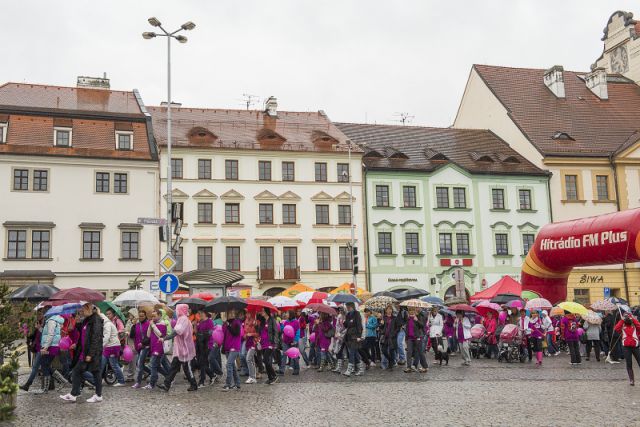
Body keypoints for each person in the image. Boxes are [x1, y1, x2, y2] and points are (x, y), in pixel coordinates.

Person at [60, 303, 104, 403]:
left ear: (89, 308)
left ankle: (77, 394)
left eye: (83, 310)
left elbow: (95, 338)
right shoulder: (87, 320)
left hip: (91, 352)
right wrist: (75, 322)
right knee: (91, 372)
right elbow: (82, 331)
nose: (81, 312)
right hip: (84, 352)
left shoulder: (96, 320)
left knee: (81, 371)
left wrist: (90, 354)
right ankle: (93, 394)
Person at [158, 304, 198, 392]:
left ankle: (194, 384)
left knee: (187, 368)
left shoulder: (183, 319)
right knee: (174, 367)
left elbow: (177, 331)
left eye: (177, 309)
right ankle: (166, 384)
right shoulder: (181, 319)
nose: (176, 311)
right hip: (180, 349)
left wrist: (165, 338)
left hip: (185, 349)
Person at [36, 312, 64, 394]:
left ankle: (46, 388)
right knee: (46, 365)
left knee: (44, 364)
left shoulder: (51, 321)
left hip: (51, 347)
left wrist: (45, 347)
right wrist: (39, 328)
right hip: (52, 346)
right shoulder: (54, 321)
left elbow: (51, 335)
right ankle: (62, 381)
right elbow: (47, 333)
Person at [99, 311, 126, 386]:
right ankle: (96, 381)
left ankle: (121, 381)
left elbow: (106, 337)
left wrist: (101, 346)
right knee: (102, 364)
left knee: (114, 364)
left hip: (112, 347)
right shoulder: (106, 324)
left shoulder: (107, 324)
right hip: (109, 346)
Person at [145, 308, 169, 389]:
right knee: (157, 366)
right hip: (153, 347)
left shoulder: (162, 324)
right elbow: (148, 335)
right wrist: (150, 325)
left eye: (154, 316)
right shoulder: (153, 324)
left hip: (158, 348)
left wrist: (152, 325)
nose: (153, 318)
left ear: (159, 315)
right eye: (152, 316)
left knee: (153, 366)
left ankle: (152, 384)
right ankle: (168, 377)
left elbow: (161, 334)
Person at [20, 311, 44, 392]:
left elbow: (43, 338)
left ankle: (27, 385)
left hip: (42, 350)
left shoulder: (44, 328)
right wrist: (27, 335)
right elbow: (34, 336)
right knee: (46, 367)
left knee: (35, 368)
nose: (35, 325)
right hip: (37, 350)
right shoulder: (38, 327)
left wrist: (39, 329)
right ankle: (61, 380)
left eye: (37, 324)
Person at [614, 312, 640, 385]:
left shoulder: (635, 327)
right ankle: (631, 380)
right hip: (626, 347)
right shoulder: (622, 327)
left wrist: (633, 318)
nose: (627, 319)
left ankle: (631, 380)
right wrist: (622, 320)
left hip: (635, 346)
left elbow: (639, 326)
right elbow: (616, 328)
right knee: (629, 363)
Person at [257, 308, 280, 385]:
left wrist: (275, 343)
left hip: (270, 343)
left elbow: (275, 331)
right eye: (261, 311)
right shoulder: (262, 321)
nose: (261, 312)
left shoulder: (272, 320)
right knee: (266, 361)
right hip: (263, 343)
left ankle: (274, 375)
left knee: (265, 360)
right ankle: (270, 378)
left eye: (263, 311)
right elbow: (260, 332)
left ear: (266, 312)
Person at [222, 309, 243, 391]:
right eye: (229, 313)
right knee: (232, 366)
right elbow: (224, 336)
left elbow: (236, 333)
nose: (230, 315)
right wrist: (223, 347)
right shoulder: (226, 324)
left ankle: (228, 384)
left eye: (232, 313)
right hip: (227, 347)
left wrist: (228, 326)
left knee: (229, 364)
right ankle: (237, 383)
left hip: (235, 347)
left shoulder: (237, 322)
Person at [131, 308, 150, 389]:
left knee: (139, 364)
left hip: (145, 346)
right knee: (139, 364)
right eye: (140, 316)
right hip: (138, 347)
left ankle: (138, 382)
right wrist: (134, 325)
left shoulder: (148, 323)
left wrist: (143, 343)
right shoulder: (137, 324)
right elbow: (132, 335)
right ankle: (151, 372)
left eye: (142, 316)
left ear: (145, 316)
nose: (141, 317)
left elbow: (149, 336)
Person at [343, 301, 364, 376]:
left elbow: (359, 325)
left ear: (352, 306)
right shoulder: (348, 314)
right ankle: (361, 369)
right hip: (349, 336)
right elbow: (346, 325)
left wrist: (359, 336)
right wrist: (344, 321)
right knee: (355, 353)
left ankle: (349, 369)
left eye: (348, 307)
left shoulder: (357, 314)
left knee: (352, 352)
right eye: (346, 307)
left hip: (355, 336)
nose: (347, 308)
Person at [404, 307, 427, 373]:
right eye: (410, 310)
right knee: (409, 352)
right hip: (409, 338)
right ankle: (408, 367)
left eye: (412, 310)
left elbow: (422, 325)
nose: (411, 312)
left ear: (415, 310)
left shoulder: (418, 316)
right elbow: (407, 329)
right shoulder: (408, 319)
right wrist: (406, 338)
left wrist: (417, 320)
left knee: (420, 352)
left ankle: (425, 366)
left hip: (417, 337)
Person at [195, 310, 214, 387]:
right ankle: (212, 375)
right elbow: (196, 333)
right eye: (199, 313)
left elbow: (210, 333)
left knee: (202, 362)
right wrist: (195, 325)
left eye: (201, 313)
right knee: (201, 363)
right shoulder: (200, 321)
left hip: (207, 345)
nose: (200, 315)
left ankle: (202, 381)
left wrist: (202, 334)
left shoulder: (209, 321)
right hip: (200, 345)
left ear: (206, 314)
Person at [379, 305, 401, 370]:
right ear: (386, 310)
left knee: (391, 351)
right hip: (385, 336)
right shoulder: (383, 318)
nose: (389, 310)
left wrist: (394, 333)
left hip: (392, 337)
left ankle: (390, 365)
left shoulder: (394, 318)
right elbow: (380, 327)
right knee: (384, 350)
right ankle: (391, 360)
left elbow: (398, 327)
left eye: (390, 309)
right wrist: (381, 324)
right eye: (388, 309)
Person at [279, 310, 300, 376]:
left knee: (294, 356)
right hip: (285, 341)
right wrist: (281, 325)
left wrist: (295, 340)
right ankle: (281, 370)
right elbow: (283, 330)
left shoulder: (296, 322)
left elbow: (298, 332)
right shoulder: (286, 322)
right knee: (284, 355)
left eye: (287, 313)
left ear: (290, 314)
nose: (286, 314)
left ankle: (296, 369)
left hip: (293, 342)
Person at [244, 310, 259, 384]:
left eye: (248, 312)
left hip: (254, 342)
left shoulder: (255, 321)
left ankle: (252, 376)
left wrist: (251, 334)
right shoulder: (246, 320)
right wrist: (245, 334)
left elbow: (258, 333)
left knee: (248, 359)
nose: (247, 314)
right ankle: (253, 376)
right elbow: (245, 330)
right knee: (251, 360)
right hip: (248, 342)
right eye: (246, 313)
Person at [331, 306, 347, 373]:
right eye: (340, 310)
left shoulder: (347, 316)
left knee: (350, 352)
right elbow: (337, 326)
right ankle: (338, 367)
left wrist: (342, 333)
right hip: (339, 336)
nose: (340, 311)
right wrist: (337, 333)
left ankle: (355, 367)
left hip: (345, 336)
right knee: (338, 352)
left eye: (341, 310)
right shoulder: (339, 316)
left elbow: (347, 327)